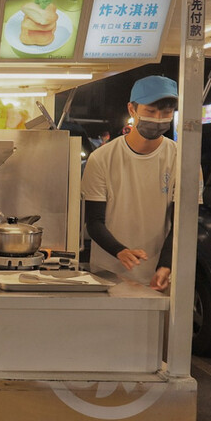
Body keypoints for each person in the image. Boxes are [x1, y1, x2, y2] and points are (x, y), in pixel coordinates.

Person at [81, 75, 180, 291]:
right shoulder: (102, 158)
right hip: (109, 274)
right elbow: (94, 222)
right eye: (150, 111)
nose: (158, 119)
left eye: (166, 113)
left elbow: (183, 222)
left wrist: (166, 265)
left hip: (159, 278)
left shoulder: (181, 159)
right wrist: (120, 251)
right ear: (132, 109)